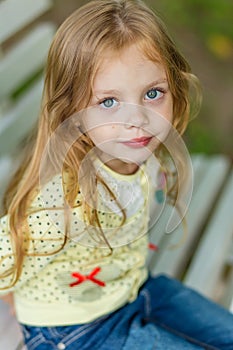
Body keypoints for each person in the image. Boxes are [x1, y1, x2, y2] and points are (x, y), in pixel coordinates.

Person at [0, 0, 233, 349]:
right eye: (109, 102)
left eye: (153, 94)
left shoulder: (144, 153)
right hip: (77, 328)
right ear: (74, 113)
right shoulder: (61, 204)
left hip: (134, 289)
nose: (137, 119)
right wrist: (24, 302)